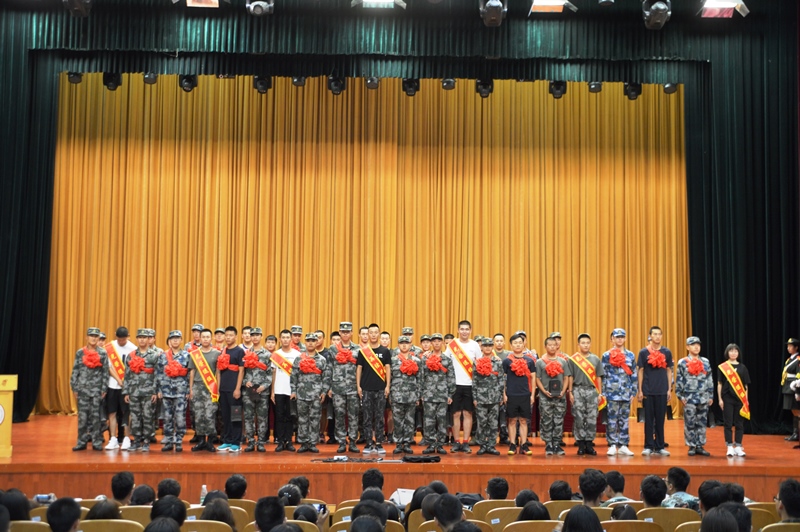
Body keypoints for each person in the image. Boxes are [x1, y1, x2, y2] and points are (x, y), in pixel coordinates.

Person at [445, 320, 481, 453]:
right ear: (458, 330)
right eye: (462, 329)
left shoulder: (475, 345)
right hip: (454, 385)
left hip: (470, 384)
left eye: (467, 329)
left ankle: (465, 442)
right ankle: (456, 442)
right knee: (455, 414)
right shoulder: (452, 345)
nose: (464, 332)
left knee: (467, 413)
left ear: (470, 330)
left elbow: (480, 363)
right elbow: (444, 362)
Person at [638, 326, 674, 456]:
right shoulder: (643, 352)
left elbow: (669, 370)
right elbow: (640, 371)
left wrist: (669, 389)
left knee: (660, 419)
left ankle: (659, 446)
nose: (657, 336)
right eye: (655, 334)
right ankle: (648, 446)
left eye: (659, 334)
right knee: (648, 420)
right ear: (650, 336)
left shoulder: (666, 352)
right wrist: (640, 390)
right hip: (648, 390)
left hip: (662, 390)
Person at [70, 327, 109, 451]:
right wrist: (74, 388)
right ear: (87, 337)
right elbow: (75, 371)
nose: (93, 338)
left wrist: (104, 389)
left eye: (96, 336)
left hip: (97, 390)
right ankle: (81, 442)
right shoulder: (80, 353)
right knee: (82, 418)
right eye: (91, 336)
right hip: (82, 390)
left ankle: (96, 442)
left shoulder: (103, 353)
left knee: (96, 418)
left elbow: (105, 372)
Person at [602, 329, 637, 457]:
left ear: (625, 338)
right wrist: (603, 392)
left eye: (622, 337)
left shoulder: (630, 355)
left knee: (624, 419)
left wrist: (634, 391)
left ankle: (623, 445)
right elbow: (603, 374)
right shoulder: (606, 355)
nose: (620, 339)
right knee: (612, 419)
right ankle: (612, 444)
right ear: (612, 339)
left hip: (626, 392)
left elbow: (633, 373)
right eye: (617, 337)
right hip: (611, 392)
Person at [291, 333, 329, 453]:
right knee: (302, 419)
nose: (311, 343)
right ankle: (303, 443)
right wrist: (293, 391)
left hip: (316, 395)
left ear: (317, 342)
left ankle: (312, 443)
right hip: (301, 394)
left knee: (315, 419)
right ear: (305, 342)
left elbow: (326, 377)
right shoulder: (299, 358)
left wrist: (324, 392)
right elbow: (294, 376)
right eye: (308, 341)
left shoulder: (322, 360)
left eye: (313, 341)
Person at [676, 336, 714, 456]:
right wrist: (680, 396)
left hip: (703, 397)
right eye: (693, 345)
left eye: (698, 344)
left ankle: (700, 445)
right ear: (687, 347)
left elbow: (709, 378)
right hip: (689, 397)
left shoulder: (705, 361)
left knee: (702, 422)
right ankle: (691, 446)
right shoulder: (682, 362)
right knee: (690, 422)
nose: (696, 347)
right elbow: (679, 380)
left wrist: (711, 395)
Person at [357, 323, 392, 453]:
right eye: (370, 332)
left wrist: (387, 386)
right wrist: (358, 386)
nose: (372, 335)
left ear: (378, 334)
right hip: (366, 388)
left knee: (379, 417)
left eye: (375, 332)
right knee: (366, 417)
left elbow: (388, 368)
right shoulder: (363, 352)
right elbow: (359, 369)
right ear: (367, 334)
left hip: (380, 389)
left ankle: (379, 443)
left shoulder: (385, 351)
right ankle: (368, 443)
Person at [123, 329, 159, 452]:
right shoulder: (131, 355)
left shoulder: (154, 355)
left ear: (149, 339)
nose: (142, 340)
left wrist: (154, 391)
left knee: (148, 417)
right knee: (135, 417)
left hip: (148, 392)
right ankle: (137, 441)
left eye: (145, 337)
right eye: (140, 337)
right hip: (134, 392)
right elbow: (127, 375)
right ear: (137, 339)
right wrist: (126, 392)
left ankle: (147, 441)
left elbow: (157, 375)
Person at [569, 334, 605, 456]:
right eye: (583, 343)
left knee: (592, 417)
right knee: (578, 417)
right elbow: (570, 377)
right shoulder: (573, 359)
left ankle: (589, 444)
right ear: (578, 345)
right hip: (577, 390)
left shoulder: (595, 359)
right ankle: (580, 444)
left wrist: (599, 393)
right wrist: (570, 392)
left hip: (592, 391)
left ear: (590, 344)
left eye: (587, 343)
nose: (585, 345)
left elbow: (599, 377)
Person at [421, 333, 456, 455]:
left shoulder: (447, 360)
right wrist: (421, 393)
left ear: (442, 343)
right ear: (431, 343)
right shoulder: (425, 358)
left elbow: (451, 377)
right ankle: (431, 444)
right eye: (434, 341)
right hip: (428, 394)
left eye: (438, 341)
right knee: (428, 421)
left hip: (442, 395)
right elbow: (421, 377)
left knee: (442, 421)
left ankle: (440, 444)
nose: (436, 343)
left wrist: (450, 394)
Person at [536, 336, 572, 456]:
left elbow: (566, 377)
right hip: (545, 397)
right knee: (546, 421)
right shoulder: (540, 362)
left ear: (557, 346)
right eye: (549, 345)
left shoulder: (562, 361)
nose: (552, 347)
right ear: (545, 346)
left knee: (558, 420)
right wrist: (544, 391)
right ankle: (548, 444)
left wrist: (564, 391)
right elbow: (537, 379)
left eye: (554, 345)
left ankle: (557, 444)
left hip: (560, 397)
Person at [503, 334, 537, 455]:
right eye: (515, 343)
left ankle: (524, 445)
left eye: (520, 343)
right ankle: (512, 444)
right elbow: (502, 379)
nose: (518, 345)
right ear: (511, 345)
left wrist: (532, 395)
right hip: (511, 394)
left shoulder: (529, 361)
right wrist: (504, 394)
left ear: (524, 344)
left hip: (525, 394)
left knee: (523, 420)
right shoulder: (507, 361)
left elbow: (533, 378)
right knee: (512, 420)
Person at [330, 322, 361, 453]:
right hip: (337, 388)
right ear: (340, 333)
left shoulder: (358, 349)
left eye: (348, 332)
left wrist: (360, 387)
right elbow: (329, 369)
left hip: (353, 388)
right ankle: (342, 442)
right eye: (343, 332)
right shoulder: (333, 349)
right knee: (339, 415)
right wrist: (329, 387)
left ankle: (353, 441)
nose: (345, 334)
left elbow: (360, 369)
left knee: (354, 415)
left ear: (352, 333)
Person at [157, 330, 191, 452]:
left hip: (181, 392)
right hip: (166, 391)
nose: (175, 340)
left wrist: (188, 390)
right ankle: (169, 441)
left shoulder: (187, 355)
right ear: (169, 341)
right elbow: (159, 373)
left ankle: (179, 440)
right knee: (167, 418)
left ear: (181, 340)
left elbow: (189, 374)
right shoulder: (163, 355)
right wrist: (159, 389)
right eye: (173, 338)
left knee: (180, 418)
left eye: (177, 338)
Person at [188, 329, 220, 452]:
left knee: (210, 414)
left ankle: (210, 441)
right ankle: (201, 441)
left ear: (211, 339)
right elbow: (192, 372)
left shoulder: (217, 353)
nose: (205, 339)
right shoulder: (194, 354)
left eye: (208, 337)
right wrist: (191, 389)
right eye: (203, 337)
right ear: (200, 339)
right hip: (197, 387)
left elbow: (218, 372)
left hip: (211, 388)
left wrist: (218, 388)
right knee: (198, 414)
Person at [105, 326, 137, 451]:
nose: (121, 341)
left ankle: (126, 438)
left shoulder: (133, 348)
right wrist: (119, 380)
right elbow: (108, 367)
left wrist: (126, 382)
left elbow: (134, 368)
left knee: (126, 413)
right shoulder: (110, 347)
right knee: (112, 412)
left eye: (123, 339)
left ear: (128, 336)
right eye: (119, 339)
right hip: (112, 385)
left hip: (127, 387)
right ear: (115, 336)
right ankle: (113, 439)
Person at [716, 344, 750, 457]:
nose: (733, 353)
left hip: (740, 398)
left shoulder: (743, 368)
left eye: (736, 351)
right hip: (727, 398)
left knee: (739, 423)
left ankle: (738, 446)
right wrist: (720, 399)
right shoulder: (723, 367)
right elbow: (719, 383)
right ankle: (729, 446)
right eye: (731, 351)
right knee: (728, 423)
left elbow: (745, 385)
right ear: (727, 353)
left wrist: (746, 400)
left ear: (738, 353)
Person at [390, 336, 422, 454]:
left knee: (410, 421)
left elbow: (420, 379)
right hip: (397, 395)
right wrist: (390, 395)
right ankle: (398, 444)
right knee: (397, 421)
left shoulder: (417, 360)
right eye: (402, 343)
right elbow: (389, 378)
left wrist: (418, 395)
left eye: (406, 343)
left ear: (410, 345)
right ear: (398, 345)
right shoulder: (393, 360)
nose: (404, 345)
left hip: (411, 395)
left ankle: (408, 443)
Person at [473, 337, 504, 455]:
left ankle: (491, 445)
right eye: (485, 346)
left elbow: (501, 379)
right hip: (481, 397)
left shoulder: (498, 362)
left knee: (493, 423)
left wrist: (501, 395)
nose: (487, 348)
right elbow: (474, 381)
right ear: (481, 347)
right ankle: (482, 445)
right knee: (481, 423)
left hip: (494, 397)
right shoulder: (476, 362)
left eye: (490, 346)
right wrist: (475, 397)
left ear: (492, 347)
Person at [216, 326, 246, 452]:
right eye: (226, 335)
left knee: (235, 416)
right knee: (225, 416)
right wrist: (218, 389)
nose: (228, 337)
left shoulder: (240, 351)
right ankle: (227, 441)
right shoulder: (222, 351)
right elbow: (218, 371)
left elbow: (241, 371)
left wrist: (238, 389)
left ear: (236, 337)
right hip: (223, 389)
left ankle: (236, 442)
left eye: (231, 335)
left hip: (234, 390)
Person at [243, 327, 272, 452]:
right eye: (252, 335)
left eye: (257, 335)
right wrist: (245, 382)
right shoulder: (245, 353)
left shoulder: (267, 354)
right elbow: (242, 372)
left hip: (262, 391)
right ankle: (250, 442)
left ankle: (261, 442)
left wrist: (264, 386)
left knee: (262, 418)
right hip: (248, 391)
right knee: (248, 417)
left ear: (261, 336)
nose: (254, 337)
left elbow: (270, 374)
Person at [272, 329, 301, 452]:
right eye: (283, 337)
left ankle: (289, 441)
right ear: (280, 339)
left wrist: (297, 390)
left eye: (287, 337)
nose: (285, 340)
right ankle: (280, 441)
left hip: (291, 391)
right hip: (278, 390)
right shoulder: (276, 354)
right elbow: (273, 373)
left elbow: (299, 374)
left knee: (290, 417)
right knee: (279, 417)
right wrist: (272, 391)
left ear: (291, 339)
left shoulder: (297, 354)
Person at [783, 338, 800, 441]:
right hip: (788, 386)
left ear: (796, 347)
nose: (788, 348)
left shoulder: (798, 359)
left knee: (797, 410)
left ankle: (797, 433)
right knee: (794, 411)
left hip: (793, 387)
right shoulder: (790, 359)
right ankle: (795, 433)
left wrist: (797, 391)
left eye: (790, 346)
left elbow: (799, 376)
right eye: (788, 346)